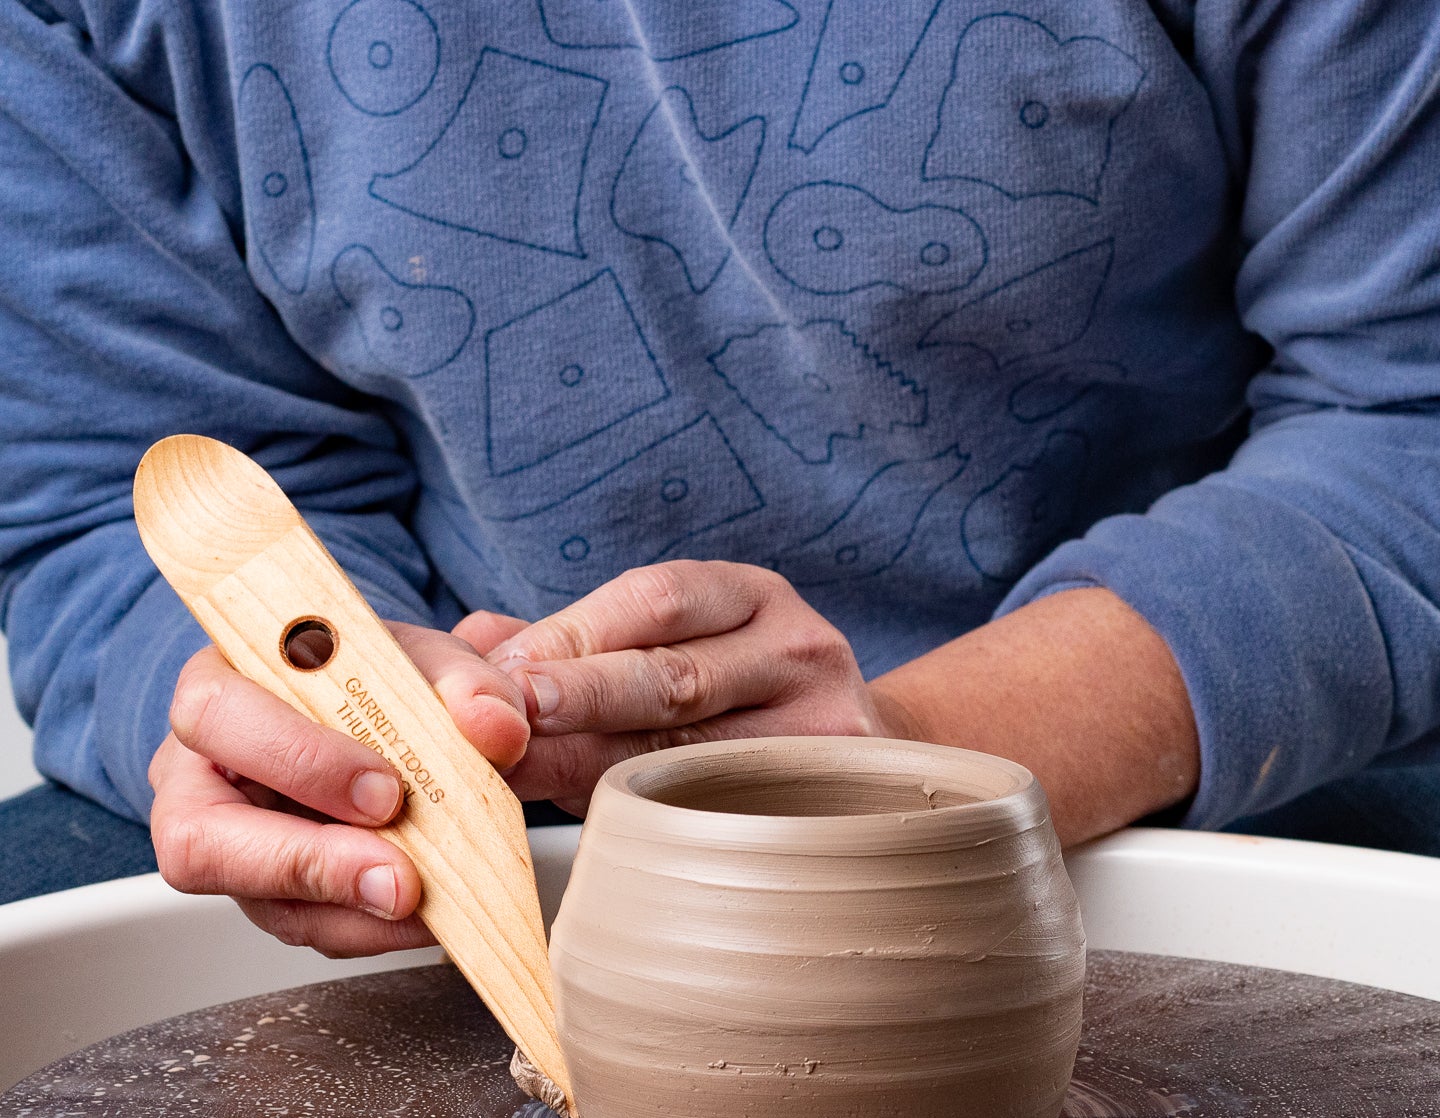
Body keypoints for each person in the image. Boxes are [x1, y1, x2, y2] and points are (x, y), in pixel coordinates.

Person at [2, 0, 1438, 936]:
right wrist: (323, 725)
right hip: (493, 833)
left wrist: (912, 763)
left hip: (1177, 751)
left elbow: (1406, 423)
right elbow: (109, 493)